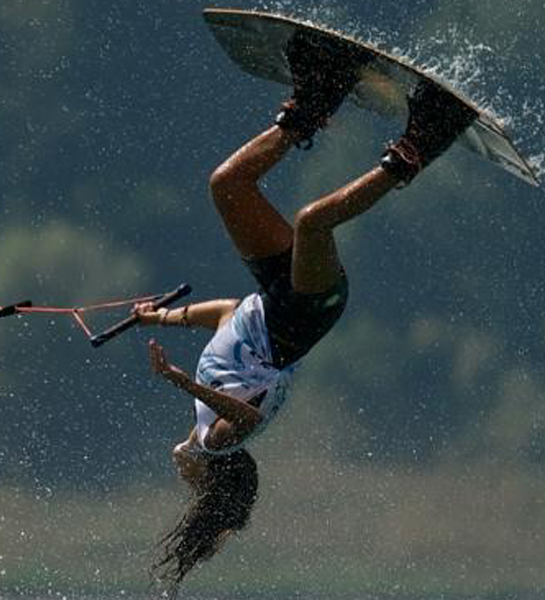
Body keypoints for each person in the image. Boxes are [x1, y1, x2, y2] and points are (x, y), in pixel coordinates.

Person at [129, 31, 478, 592]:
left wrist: (160, 319)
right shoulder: (220, 439)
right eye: (193, 488)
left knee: (228, 185)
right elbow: (245, 416)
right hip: (303, 314)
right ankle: (421, 142)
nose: (183, 478)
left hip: (274, 295)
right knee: (315, 220)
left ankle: (316, 100)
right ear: (211, 482)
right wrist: (174, 379)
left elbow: (224, 314)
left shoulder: (211, 426)